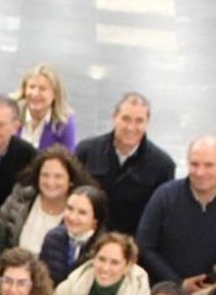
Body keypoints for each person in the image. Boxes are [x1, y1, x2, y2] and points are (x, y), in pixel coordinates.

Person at [137, 138, 216, 289]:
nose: (200, 172)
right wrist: (177, 283)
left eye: (208, 165)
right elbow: (144, 246)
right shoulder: (165, 196)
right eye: (194, 164)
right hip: (166, 293)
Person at [75, 93, 176, 236]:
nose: (131, 127)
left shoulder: (163, 166)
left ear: (147, 122)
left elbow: (160, 219)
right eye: (126, 119)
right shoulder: (86, 152)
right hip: (86, 239)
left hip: (132, 245)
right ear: (114, 117)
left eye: (139, 121)